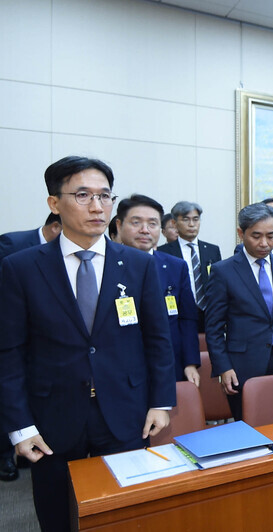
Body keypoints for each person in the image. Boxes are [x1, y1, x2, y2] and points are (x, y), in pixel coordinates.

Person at [0, 156, 175, 531]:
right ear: (54, 203)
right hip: (51, 420)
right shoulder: (21, 267)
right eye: (83, 195)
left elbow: (158, 340)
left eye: (104, 196)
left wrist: (161, 402)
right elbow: (9, 353)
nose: (97, 207)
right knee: (58, 516)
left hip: (126, 414)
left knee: (126, 514)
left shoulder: (138, 265)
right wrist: (19, 426)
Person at [206, 203, 273, 421]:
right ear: (241, 233)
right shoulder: (223, 271)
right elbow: (213, 327)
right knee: (250, 428)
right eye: (256, 236)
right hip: (243, 366)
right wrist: (223, 367)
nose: (265, 243)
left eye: (271, 235)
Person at [0, 212, 61, 481]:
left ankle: (31, 445)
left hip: (43, 339)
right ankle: (5, 456)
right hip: (10, 331)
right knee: (10, 391)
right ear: (56, 225)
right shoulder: (12, 246)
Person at [115, 194, 201, 386]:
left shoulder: (175, 266)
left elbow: (187, 318)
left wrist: (190, 362)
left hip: (167, 362)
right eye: (136, 222)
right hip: (119, 367)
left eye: (152, 223)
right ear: (119, 226)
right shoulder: (106, 265)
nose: (145, 230)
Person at [157, 201, 222, 328]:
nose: (192, 224)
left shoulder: (212, 250)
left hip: (209, 313)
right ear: (175, 223)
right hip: (178, 314)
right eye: (186, 220)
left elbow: (218, 283)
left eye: (196, 219)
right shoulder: (163, 252)